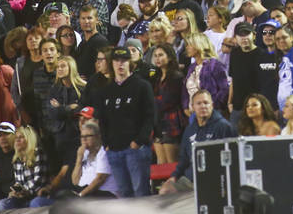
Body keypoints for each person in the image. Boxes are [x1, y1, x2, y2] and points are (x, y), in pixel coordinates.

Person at [95, 47, 155, 197]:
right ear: (111, 63)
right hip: (114, 149)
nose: (120, 64)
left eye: (124, 61)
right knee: (124, 195)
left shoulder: (142, 85)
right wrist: (106, 144)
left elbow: (151, 116)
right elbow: (102, 119)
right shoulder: (106, 90)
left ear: (130, 63)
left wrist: (139, 141)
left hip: (135, 149)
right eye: (116, 61)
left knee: (141, 192)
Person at [162, 89, 235, 193]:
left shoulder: (224, 127)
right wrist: (174, 176)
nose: (203, 106)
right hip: (190, 179)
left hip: (215, 180)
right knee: (165, 190)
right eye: (199, 103)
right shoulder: (189, 129)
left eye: (206, 103)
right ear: (192, 107)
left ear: (212, 105)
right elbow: (184, 158)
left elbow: (233, 158)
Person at [70, 121, 119, 198]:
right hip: (84, 191)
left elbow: (100, 179)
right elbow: (75, 181)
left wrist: (80, 195)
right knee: (62, 194)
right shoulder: (84, 153)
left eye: (88, 136)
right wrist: (79, 159)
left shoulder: (103, 152)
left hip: (103, 193)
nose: (84, 139)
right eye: (82, 136)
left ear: (98, 136)